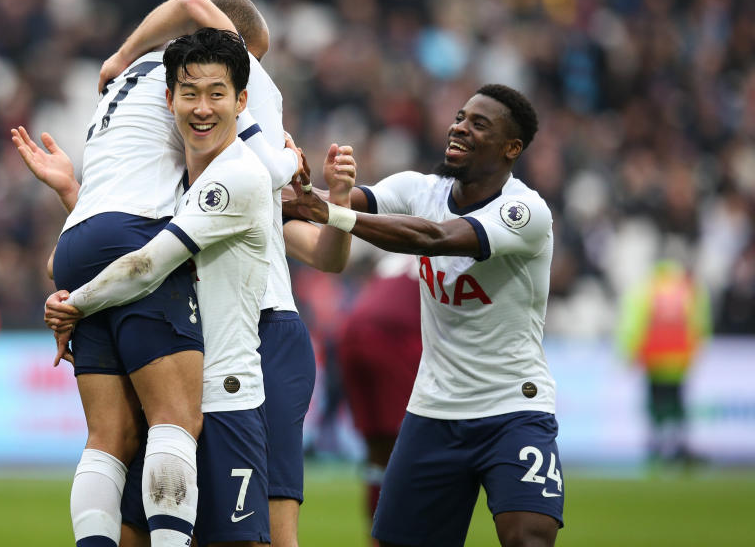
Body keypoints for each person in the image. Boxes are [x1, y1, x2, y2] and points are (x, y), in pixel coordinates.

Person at [17, 0, 353, 547]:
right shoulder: (173, 183)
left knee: (265, 530)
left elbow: (322, 255)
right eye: (192, 91)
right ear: (172, 95)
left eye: (222, 88)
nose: (204, 104)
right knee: (141, 517)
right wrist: (77, 193)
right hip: (180, 338)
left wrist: (336, 203)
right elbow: (131, 253)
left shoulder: (245, 170)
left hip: (261, 335)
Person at [286, 84, 563, 547]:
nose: (460, 126)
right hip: (434, 410)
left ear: (511, 148)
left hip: (513, 407)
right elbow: (331, 205)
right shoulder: (419, 189)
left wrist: (330, 212)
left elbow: (433, 238)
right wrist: (288, 191)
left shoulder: (524, 211)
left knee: (528, 539)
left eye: (479, 124)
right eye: (460, 117)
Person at [336, 253, 422, 546]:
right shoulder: (453, 245)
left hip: (352, 333)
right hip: (397, 336)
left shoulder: (400, 252)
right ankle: (399, 533)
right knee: (411, 448)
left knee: (378, 452)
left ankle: (378, 535)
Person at [616, 258, 711, 465]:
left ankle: (657, 446)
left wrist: (628, 352)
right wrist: (697, 348)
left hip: (654, 356)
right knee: (677, 402)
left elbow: (634, 322)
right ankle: (678, 445)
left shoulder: (646, 288)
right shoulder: (687, 288)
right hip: (679, 356)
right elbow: (699, 321)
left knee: (655, 403)